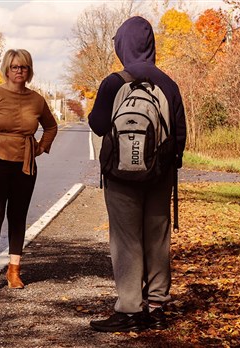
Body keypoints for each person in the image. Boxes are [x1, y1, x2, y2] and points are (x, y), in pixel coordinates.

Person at [88, 16, 187, 332]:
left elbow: (99, 125)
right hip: (160, 173)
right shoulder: (168, 83)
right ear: (150, 44)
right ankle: (157, 307)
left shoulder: (114, 81)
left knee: (126, 239)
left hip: (120, 176)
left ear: (122, 45)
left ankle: (131, 309)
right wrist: (171, 164)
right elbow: (180, 133)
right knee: (157, 239)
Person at [0, 49, 58, 292]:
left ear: (29, 71)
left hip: (25, 165)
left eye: (24, 67)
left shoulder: (36, 100)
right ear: (6, 69)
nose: (19, 71)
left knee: (18, 217)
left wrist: (40, 147)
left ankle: (13, 271)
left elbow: (51, 127)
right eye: (15, 67)